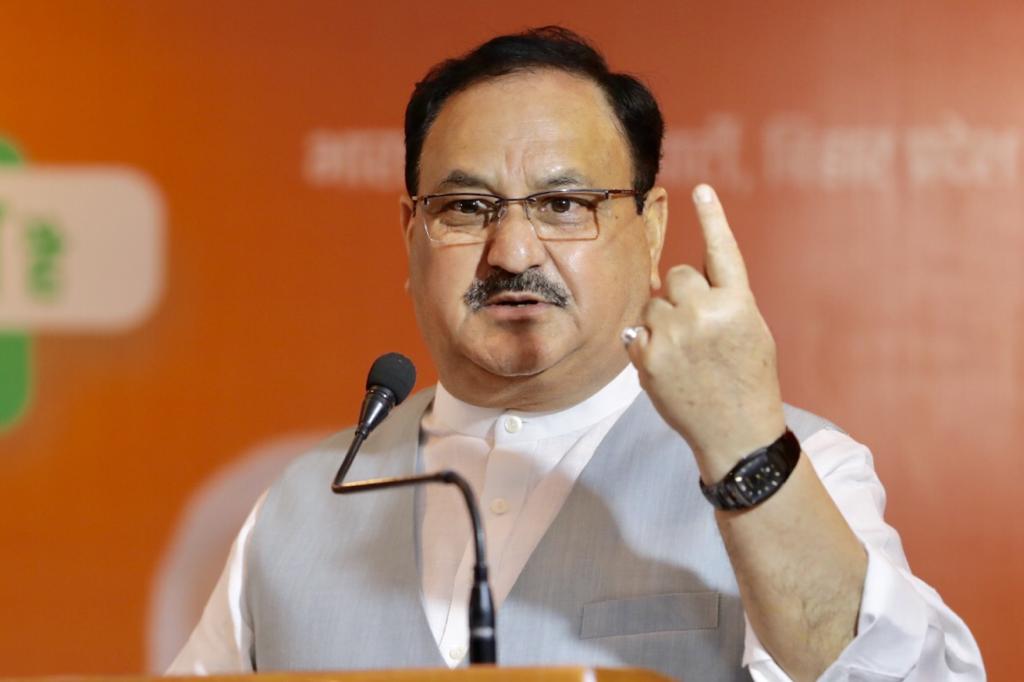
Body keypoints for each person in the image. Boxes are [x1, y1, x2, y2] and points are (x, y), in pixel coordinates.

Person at [169, 27, 984, 681]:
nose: (513, 249)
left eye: (564, 204)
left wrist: (744, 449)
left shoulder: (795, 469)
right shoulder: (301, 506)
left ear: (652, 228)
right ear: (411, 236)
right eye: (466, 207)